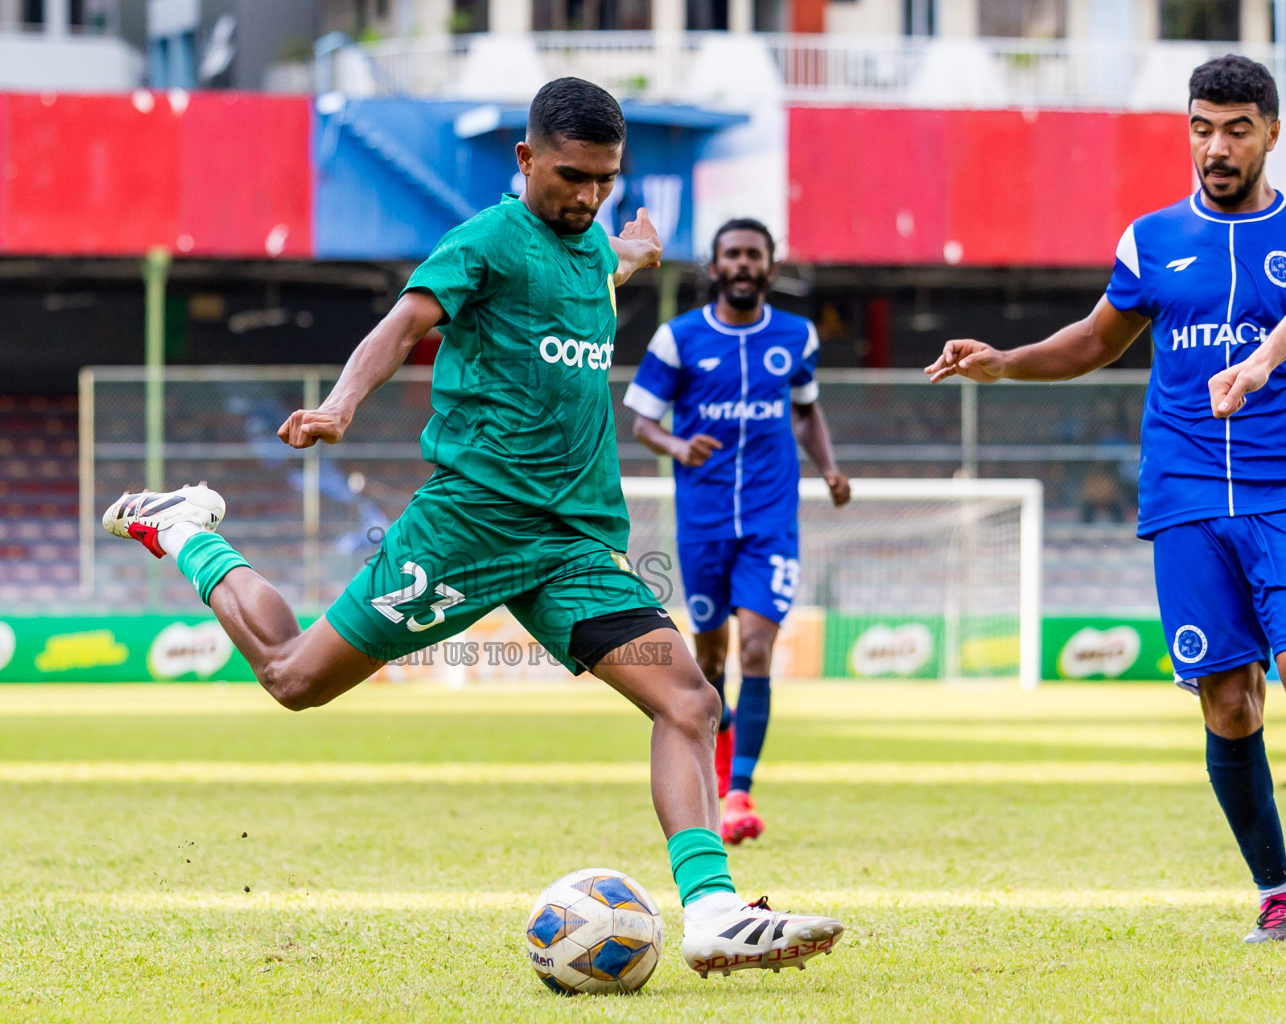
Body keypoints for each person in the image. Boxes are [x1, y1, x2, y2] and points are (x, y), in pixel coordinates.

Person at [103, 78, 843, 976]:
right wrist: (340, 404)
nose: (589, 197)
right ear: (526, 159)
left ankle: (714, 911)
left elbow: (601, 260)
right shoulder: (487, 241)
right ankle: (186, 530)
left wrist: (637, 251)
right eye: (571, 176)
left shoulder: (590, 244)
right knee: (294, 677)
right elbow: (403, 323)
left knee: (689, 699)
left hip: (572, 546)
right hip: (469, 527)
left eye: (605, 180)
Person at [927, 55, 1286, 943]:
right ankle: (1278, 891)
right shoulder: (1151, 239)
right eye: (1202, 128)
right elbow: (1096, 339)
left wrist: (1262, 361)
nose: (1217, 147)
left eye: (1237, 129)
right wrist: (1005, 362)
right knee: (1227, 700)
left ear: (1272, 133)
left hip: (1281, 491)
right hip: (1185, 496)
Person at [624, 218, 849, 845]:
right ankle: (719, 774)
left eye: (754, 255)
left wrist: (829, 468)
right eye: (733, 254)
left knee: (755, 649)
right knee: (712, 657)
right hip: (703, 520)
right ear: (716, 265)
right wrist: (678, 445)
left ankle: (740, 792)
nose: (744, 264)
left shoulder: (797, 336)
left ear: (770, 268)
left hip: (771, 521)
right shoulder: (678, 338)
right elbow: (642, 421)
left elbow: (805, 410)